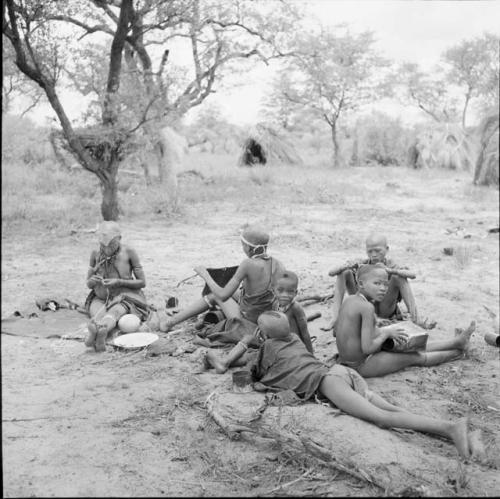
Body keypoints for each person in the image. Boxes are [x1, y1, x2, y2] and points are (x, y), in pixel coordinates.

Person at [250, 311, 472, 459]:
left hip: (329, 382)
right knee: (390, 410)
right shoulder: (294, 339)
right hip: (343, 372)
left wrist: (249, 343)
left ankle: (450, 428)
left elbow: (257, 374)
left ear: (263, 334)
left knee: (381, 418)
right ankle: (445, 428)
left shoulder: (268, 347)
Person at [335, 264, 475, 377]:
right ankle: (459, 352)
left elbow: (353, 332)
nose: (383, 288)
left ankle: (457, 342)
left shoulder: (351, 300)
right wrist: (386, 333)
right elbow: (367, 348)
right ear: (361, 283)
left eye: (385, 284)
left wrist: (381, 329)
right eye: (377, 283)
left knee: (407, 345)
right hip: (361, 365)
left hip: (348, 359)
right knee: (415, 356)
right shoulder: (367, 307)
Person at [160, 226, 285, 344]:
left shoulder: (248, 264)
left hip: (248, 322)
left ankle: (169, 323)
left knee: (214, 295)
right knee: (234, 292)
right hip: (266, 319)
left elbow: (223, 295)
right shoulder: (278, 264)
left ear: (248, 247)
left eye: (243, 245)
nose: (243, 248)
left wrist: (205, 275)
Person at [204, 269, 313, 373]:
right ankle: (223, 362)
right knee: (251, 350)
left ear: (296, 293)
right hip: (276, 345)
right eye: (280, 290)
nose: (285, 295)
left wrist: (310, 358)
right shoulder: (275, 304)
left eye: (290, 292)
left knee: (254, 356)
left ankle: (224, 362)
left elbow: (305, 334)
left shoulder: (295, 308)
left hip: (291, 348)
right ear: (273, 290)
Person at [323, 233, 420, 334]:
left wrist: (391, 271)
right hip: (364, 306)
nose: (373, 254)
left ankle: (416, 319)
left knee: (399, 278)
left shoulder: (391, 264)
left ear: (386, 249)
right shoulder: (362, 263)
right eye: (370, 251)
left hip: (384, 308)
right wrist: (348, 265)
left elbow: (412, 275)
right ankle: (335, 318)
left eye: (378, 250)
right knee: (344, 273)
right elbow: (331, 273)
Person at [84, 221, 149, 352]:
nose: (107, 249)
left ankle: (98, 334)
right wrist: (93, 280)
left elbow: (142, 283)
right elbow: (89, 284)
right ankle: (96, 333)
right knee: (98, 316)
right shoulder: (95, 253)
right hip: (100, 298)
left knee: (112, 314)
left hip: (124, 297)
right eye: (103, 245)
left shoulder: (129, 252)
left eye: (112, 244)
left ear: (119, 239)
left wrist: (119, 282)